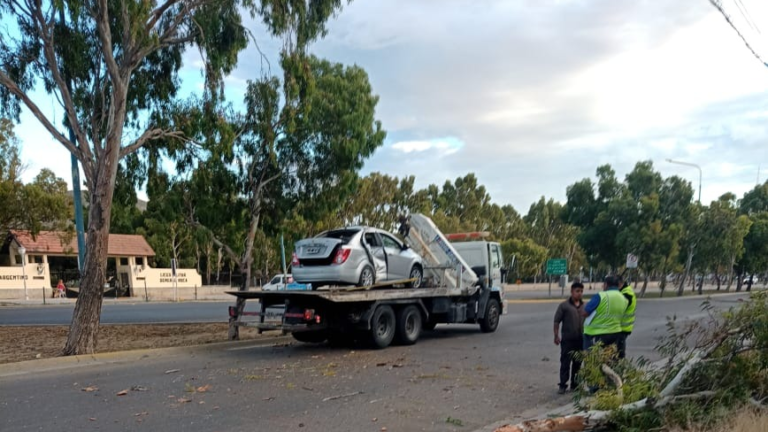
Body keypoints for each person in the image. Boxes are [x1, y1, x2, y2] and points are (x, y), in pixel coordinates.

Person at [581, 275, 628, 353]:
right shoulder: (624, 298)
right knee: (610, 358)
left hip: (596, 333)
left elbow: (585, 313)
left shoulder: (600, 296)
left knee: (592, 359)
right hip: (615, 333)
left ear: (606, 284)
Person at [554, 282, 585, 394]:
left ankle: (575, 384)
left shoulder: (584, 306)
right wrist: (556, 335)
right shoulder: (564, 306)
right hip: (567, 340)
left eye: (581, 291)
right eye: (577, 291)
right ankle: (563, 385)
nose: (579, 293)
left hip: (580, 340)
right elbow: (557, 321)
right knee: (565, 363)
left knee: (578, 364)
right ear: (572, 292)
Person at [617, 277, 636, 359]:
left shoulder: (627, 293)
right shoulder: (623, 291)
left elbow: (619, 307)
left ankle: (620, 366)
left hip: (623, 327)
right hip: (620, 327)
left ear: (620, 283)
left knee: (619, 351)